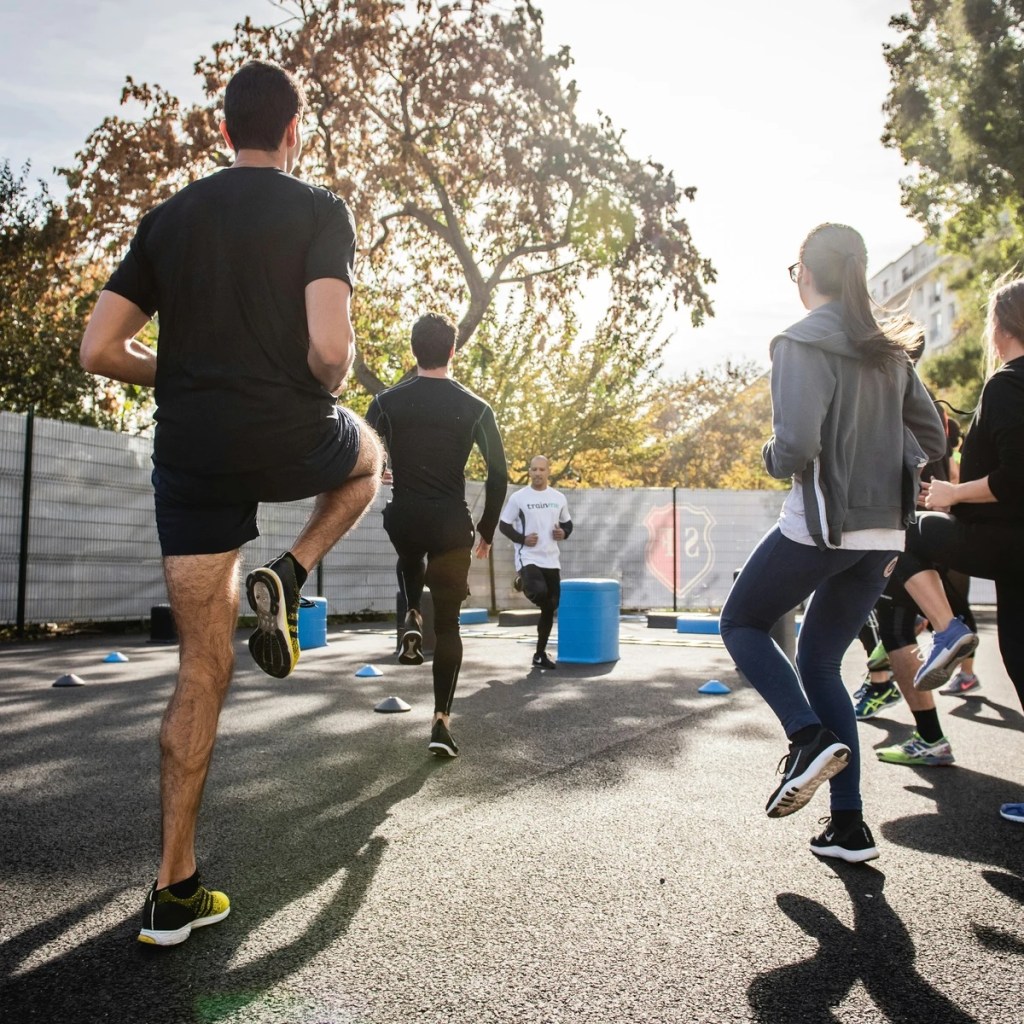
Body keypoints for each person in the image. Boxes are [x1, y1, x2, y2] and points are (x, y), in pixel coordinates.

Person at [78, 60, 382, 946]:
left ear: (224, 133)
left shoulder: (167, 221)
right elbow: (330, 351)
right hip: (289, 435)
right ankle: (291, 569)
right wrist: (323, 380)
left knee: (200, 671)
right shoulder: (320, 210)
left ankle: (174, 889)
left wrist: (173, 369)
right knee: (367, 458)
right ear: (294, 133)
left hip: (193, 455)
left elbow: (99, 348)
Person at [718, 223, 947, 864]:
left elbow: (794, 447)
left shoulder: (798, 341)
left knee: (740, 621)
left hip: (823, 525)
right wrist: (893, 489)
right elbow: (932, 439)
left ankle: (805, 735)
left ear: (807, 275)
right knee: (820, 663)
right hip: (882, 535)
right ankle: (849, 827)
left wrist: (769, 454)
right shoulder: (890, 351)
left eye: (794, 272)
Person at [893, 275, 1024, 823]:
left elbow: (1017, 477)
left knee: (898, 534)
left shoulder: (1009, 384)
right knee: (1019, 662)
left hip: (1006, 541)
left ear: (1000, 327)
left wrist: (951, 493)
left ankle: (948, 629)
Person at [366, 312, 508, 758]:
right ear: (452, 350)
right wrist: (486, 529)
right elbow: (499, 475)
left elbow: (363, 453)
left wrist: (383, 469)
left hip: (405, 516)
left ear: (413, 350)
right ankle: (441, 722)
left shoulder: (386, 401)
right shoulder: (477, 407)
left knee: (409, 551)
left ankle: (410, 612)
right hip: (451, 525)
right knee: (449, 626)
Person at [498, 455, 573, 669]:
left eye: (542, 469)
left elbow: (568, 524)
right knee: (540, 594)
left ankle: (539, 655)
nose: (538, 473)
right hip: (528, 557)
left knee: (551, 606)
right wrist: (522, 539)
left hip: (551, 559)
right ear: (529, 472)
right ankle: (524, 580)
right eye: (534, 470)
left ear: (548, 471)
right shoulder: (519, 498)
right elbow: (504, 525)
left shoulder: (558, 497)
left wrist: (563, 533)